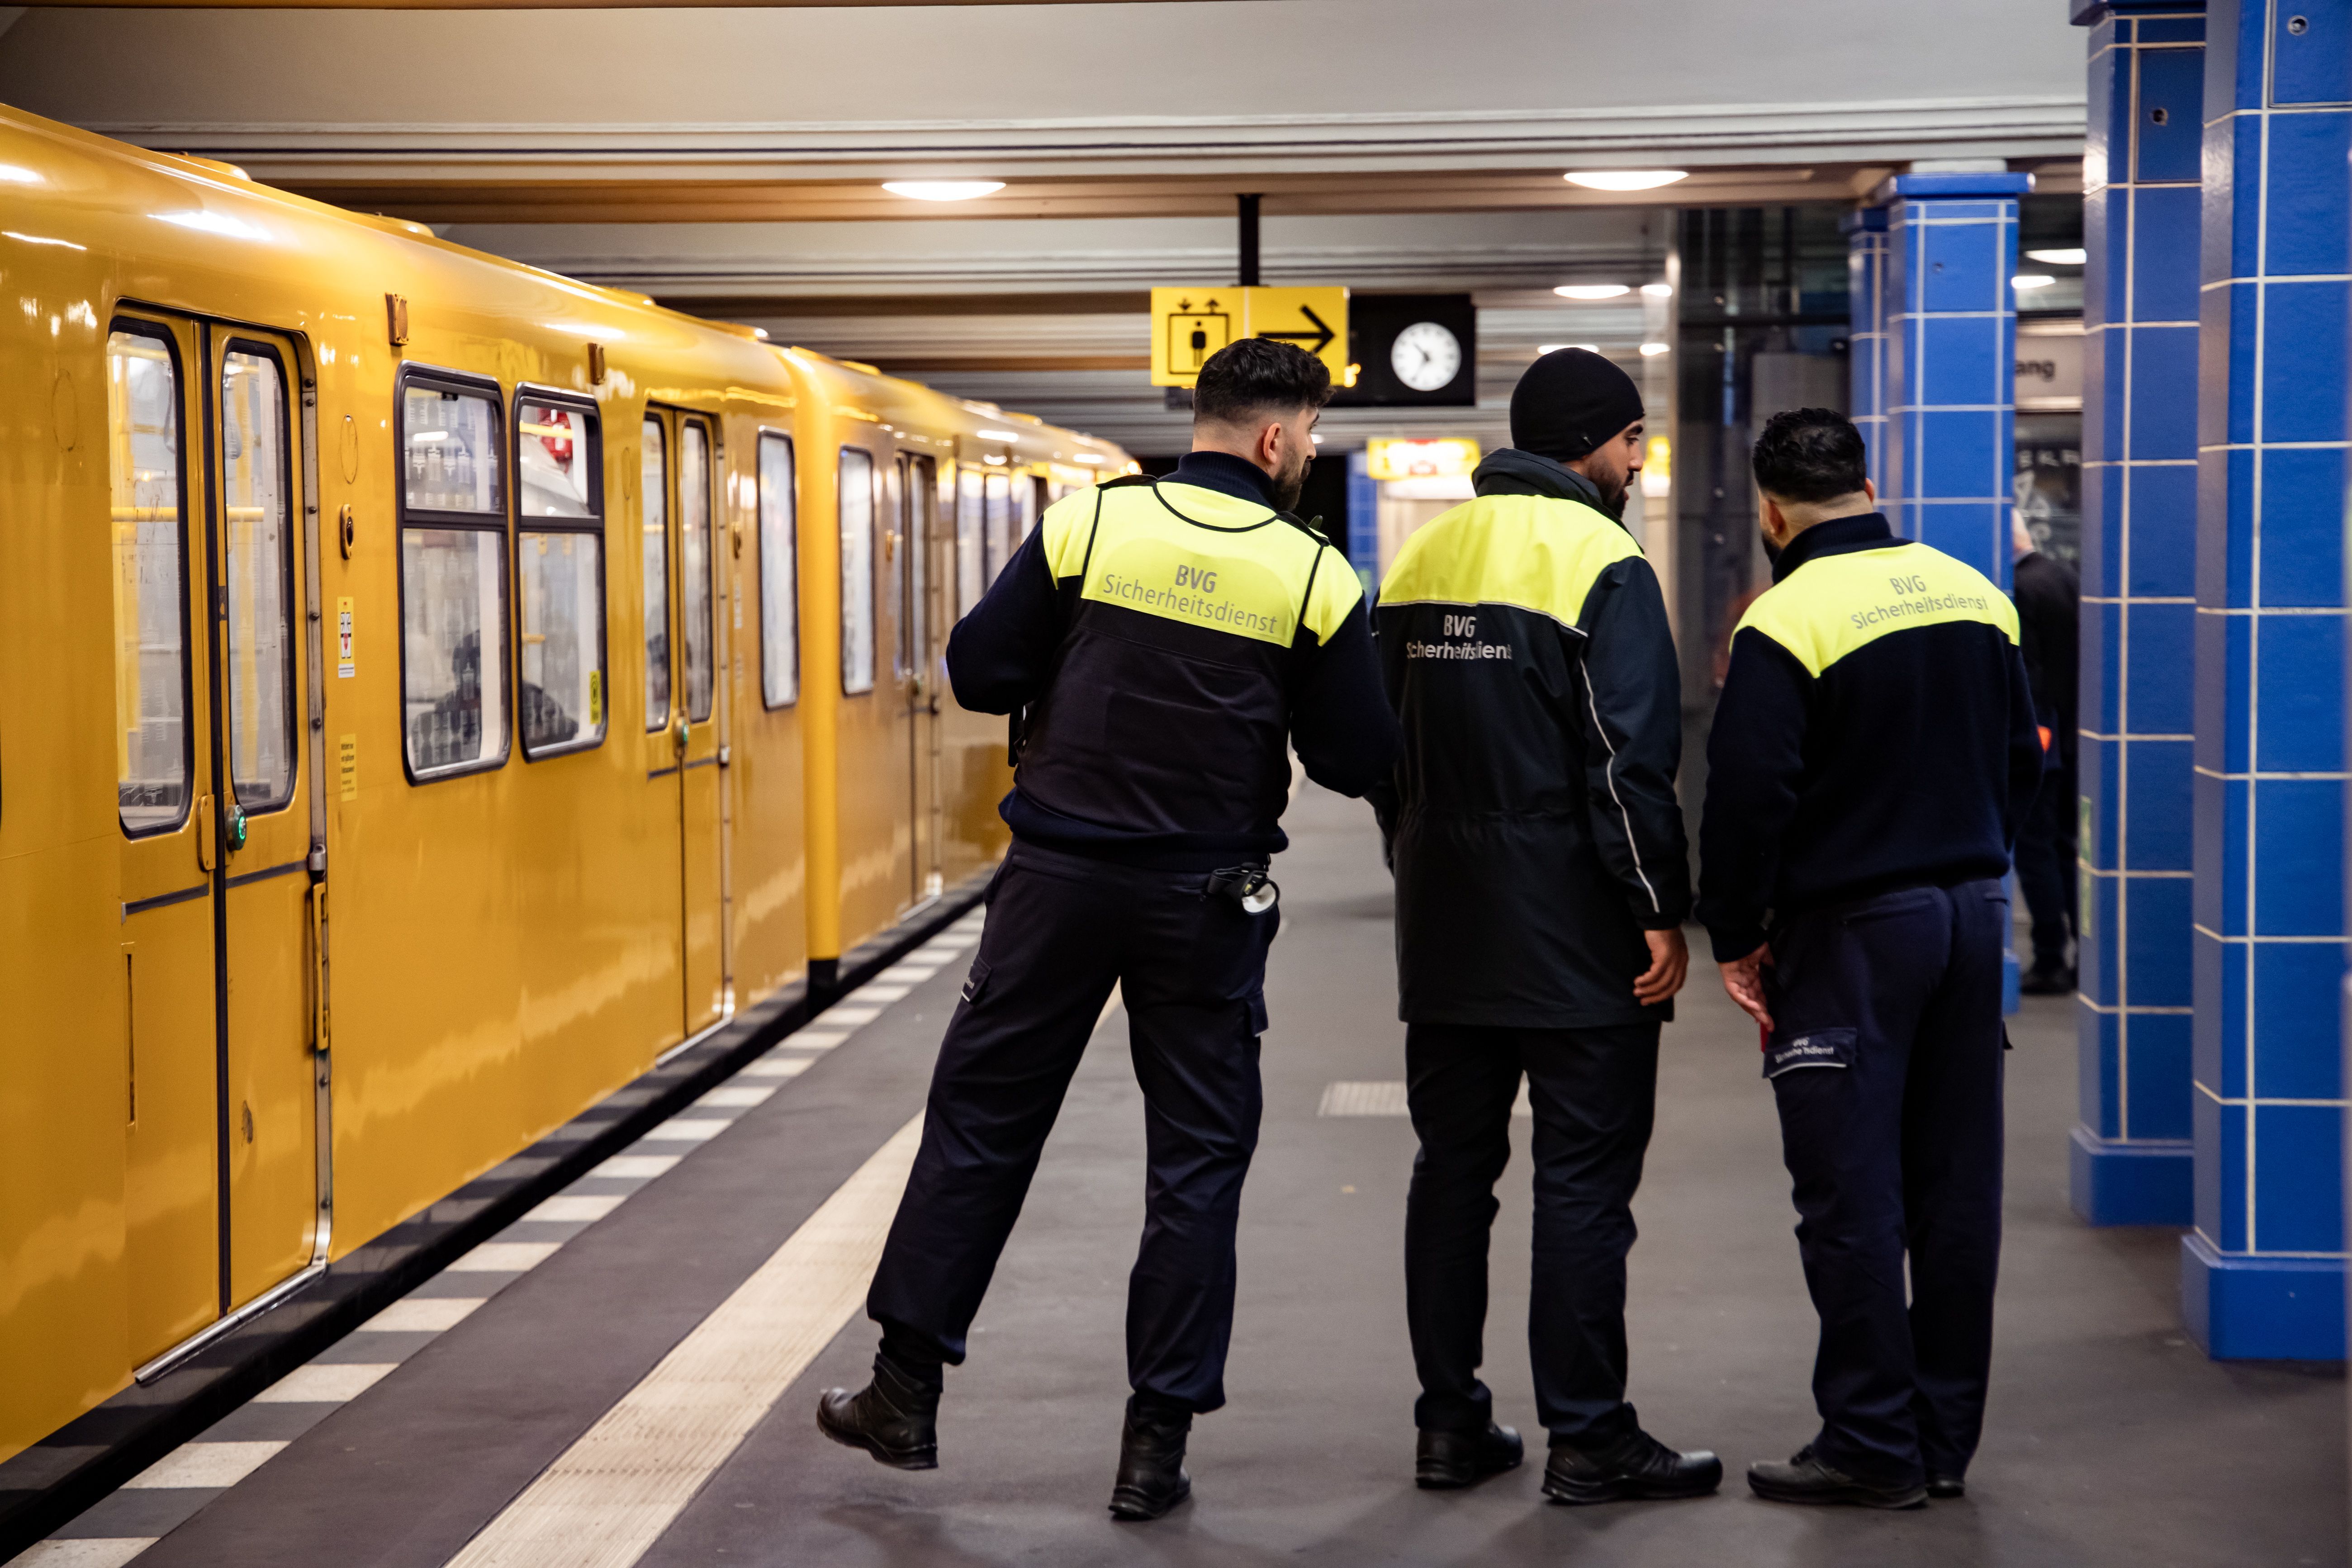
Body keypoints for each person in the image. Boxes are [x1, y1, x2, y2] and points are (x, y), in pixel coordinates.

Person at [816, 337, 1401, 1522]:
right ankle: (1155, 1446)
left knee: (983, 1122)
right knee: (1196, 1160)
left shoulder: (1090, 529)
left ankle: (905, 1391)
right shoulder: (1313, 576)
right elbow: (1356, 759)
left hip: (1059, 880)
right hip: (1207, 898)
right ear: (1280, 440)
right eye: (1312, 441)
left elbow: (980, 670)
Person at [1371, 348, 1720, 1506]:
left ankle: (1447, 1425)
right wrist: (1658, 911)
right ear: (1592, 441)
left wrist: (1416, 855)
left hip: (1444, 927)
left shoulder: (1419, 556)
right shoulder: (1601, 559)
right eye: (1631, 441)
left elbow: (1382, 754)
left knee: (1450, 1174)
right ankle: (1587, 1437)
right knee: (1579, 1184)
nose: (1636, 461)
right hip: (1574, 935)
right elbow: (1627, 765)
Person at [1697, 409, 2042, 1509]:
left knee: (1850, 1194)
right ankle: (1940, 1440)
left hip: (1851, 936)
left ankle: (1867, 1442)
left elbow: (1746, 799)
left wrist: (1736, 933)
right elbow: (2021, 763)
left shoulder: (1784, 618)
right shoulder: (1971, 591)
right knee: (1951, 1189)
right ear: (1864, 484)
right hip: (1969, 918)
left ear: (1767, 509)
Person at [2010, 514, 2080, 994]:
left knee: (2034, 851)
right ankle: (2084, 950)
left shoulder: (2017, 589)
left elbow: (2028, 675)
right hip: (2076, 737)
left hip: (2043, 740)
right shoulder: (2064, 576)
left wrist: (2029, 746)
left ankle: (2050, 955)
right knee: (2068, 848)